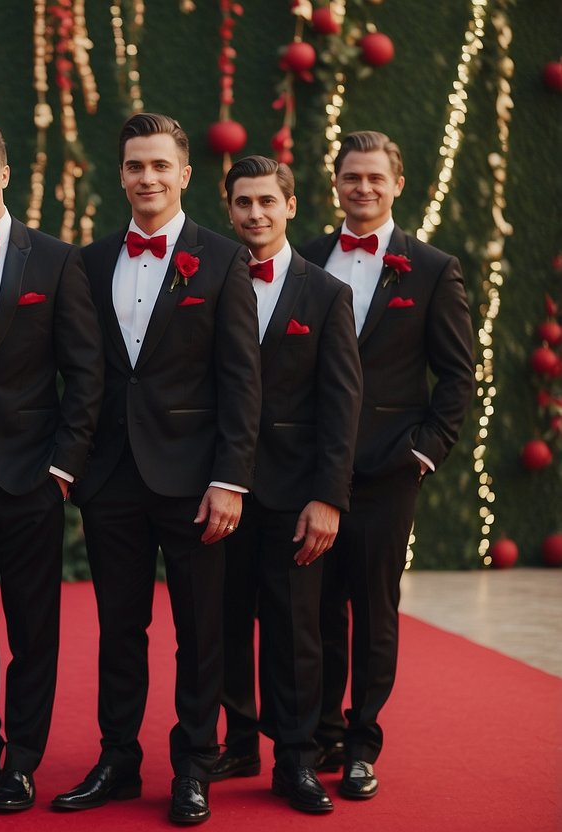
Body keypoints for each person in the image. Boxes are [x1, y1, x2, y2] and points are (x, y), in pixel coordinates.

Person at [52, 113, 261, 825]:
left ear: (183, 174)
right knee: (118, 628)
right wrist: (73, 465)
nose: (146, 177)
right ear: (121, 174)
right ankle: (116, 758)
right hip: (111, 478)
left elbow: (241, 380)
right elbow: (81, 373)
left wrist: (230, 479)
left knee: (200, 631)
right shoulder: (88, 259)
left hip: (199, 482)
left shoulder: (224, 258)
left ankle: (194, 764)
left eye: (159, 165)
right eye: (135, 165)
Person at [0, 119, 103, 811]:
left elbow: (84, 373)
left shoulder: (56, 260)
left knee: (34, 628)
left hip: (31, 475)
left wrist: (63, 467)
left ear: (4, 175)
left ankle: (23, 761)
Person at [299, 130, 473, 800]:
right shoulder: (306, 259)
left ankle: (362, 740)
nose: (362, 189)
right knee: (313, 613)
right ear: (335, 184)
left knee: (373, 609)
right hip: (309, 470)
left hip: (385, 472)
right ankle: (317, 734)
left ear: (397, 184)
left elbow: (457, 376)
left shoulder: (430, 268)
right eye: (351, 177)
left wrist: (422, 454)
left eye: (374, 178)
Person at [212, 156, 362, 814]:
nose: (254, 214)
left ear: (290, 206)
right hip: (217, 486)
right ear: (228, 208)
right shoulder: (204, 277)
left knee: (295, 630)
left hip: (296, 493)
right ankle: (238, 741)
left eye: (266, 202)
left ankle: (295, 760)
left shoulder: (325, 294)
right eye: (242, 203)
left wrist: (328, 497)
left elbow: (341, 404)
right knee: (218, 624)